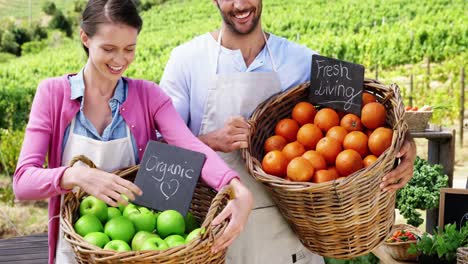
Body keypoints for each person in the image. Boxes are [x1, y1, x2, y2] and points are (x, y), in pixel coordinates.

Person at [160, 0, 417, 263]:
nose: (239, 5)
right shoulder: (186, 61)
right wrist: (210, 140)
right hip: (216, 237)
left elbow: (369, 111)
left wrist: (406, 142)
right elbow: (159, 150)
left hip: (288, 237)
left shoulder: (299, 59)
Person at [12, 1, 253, 264]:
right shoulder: (53, 94)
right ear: (85, 38)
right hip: (75, 250)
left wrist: (236, 188)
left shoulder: (148, 95)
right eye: (108, 49)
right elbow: (23, 182)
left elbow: (189, 146)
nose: (120, 60)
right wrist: (77, 175)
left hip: (136, 250)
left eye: (129, 49)